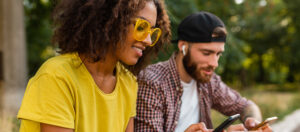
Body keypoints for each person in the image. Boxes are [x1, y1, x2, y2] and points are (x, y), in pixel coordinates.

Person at [17, 0, 171, 131]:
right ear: (110, 19)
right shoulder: (56, 77)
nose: (148, 41)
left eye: (152, 32)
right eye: (141, 27)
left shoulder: (128, 82)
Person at [135, 11, 272, 132]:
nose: (214, 63)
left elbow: (246, 106)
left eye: (218, 54)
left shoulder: (208, 80)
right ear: (183, 46)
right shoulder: (151, 82)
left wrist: (253, 123)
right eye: (207, 53)